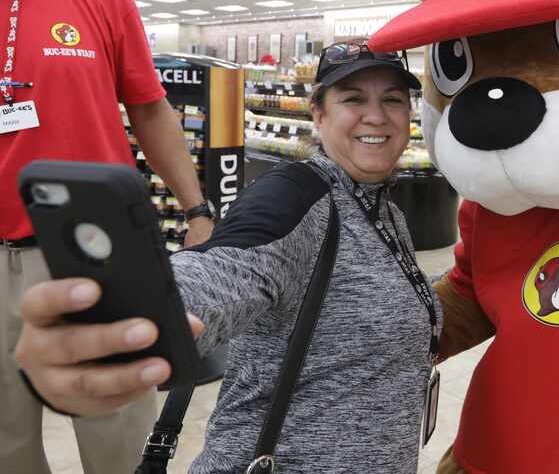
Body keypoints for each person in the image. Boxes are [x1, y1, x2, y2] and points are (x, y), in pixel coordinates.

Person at [15, 39, 443, 474]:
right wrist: (119, 320)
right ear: (319, 114)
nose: (376, 115)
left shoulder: (383, 207)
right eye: (353, 99)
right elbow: (222, 270)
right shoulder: (294, 196)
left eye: (392, 100)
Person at [0, 0, 215, 473]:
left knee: (120, 436)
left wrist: (196, 208)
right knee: (6, 446)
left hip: (95, 253)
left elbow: (149, 107)